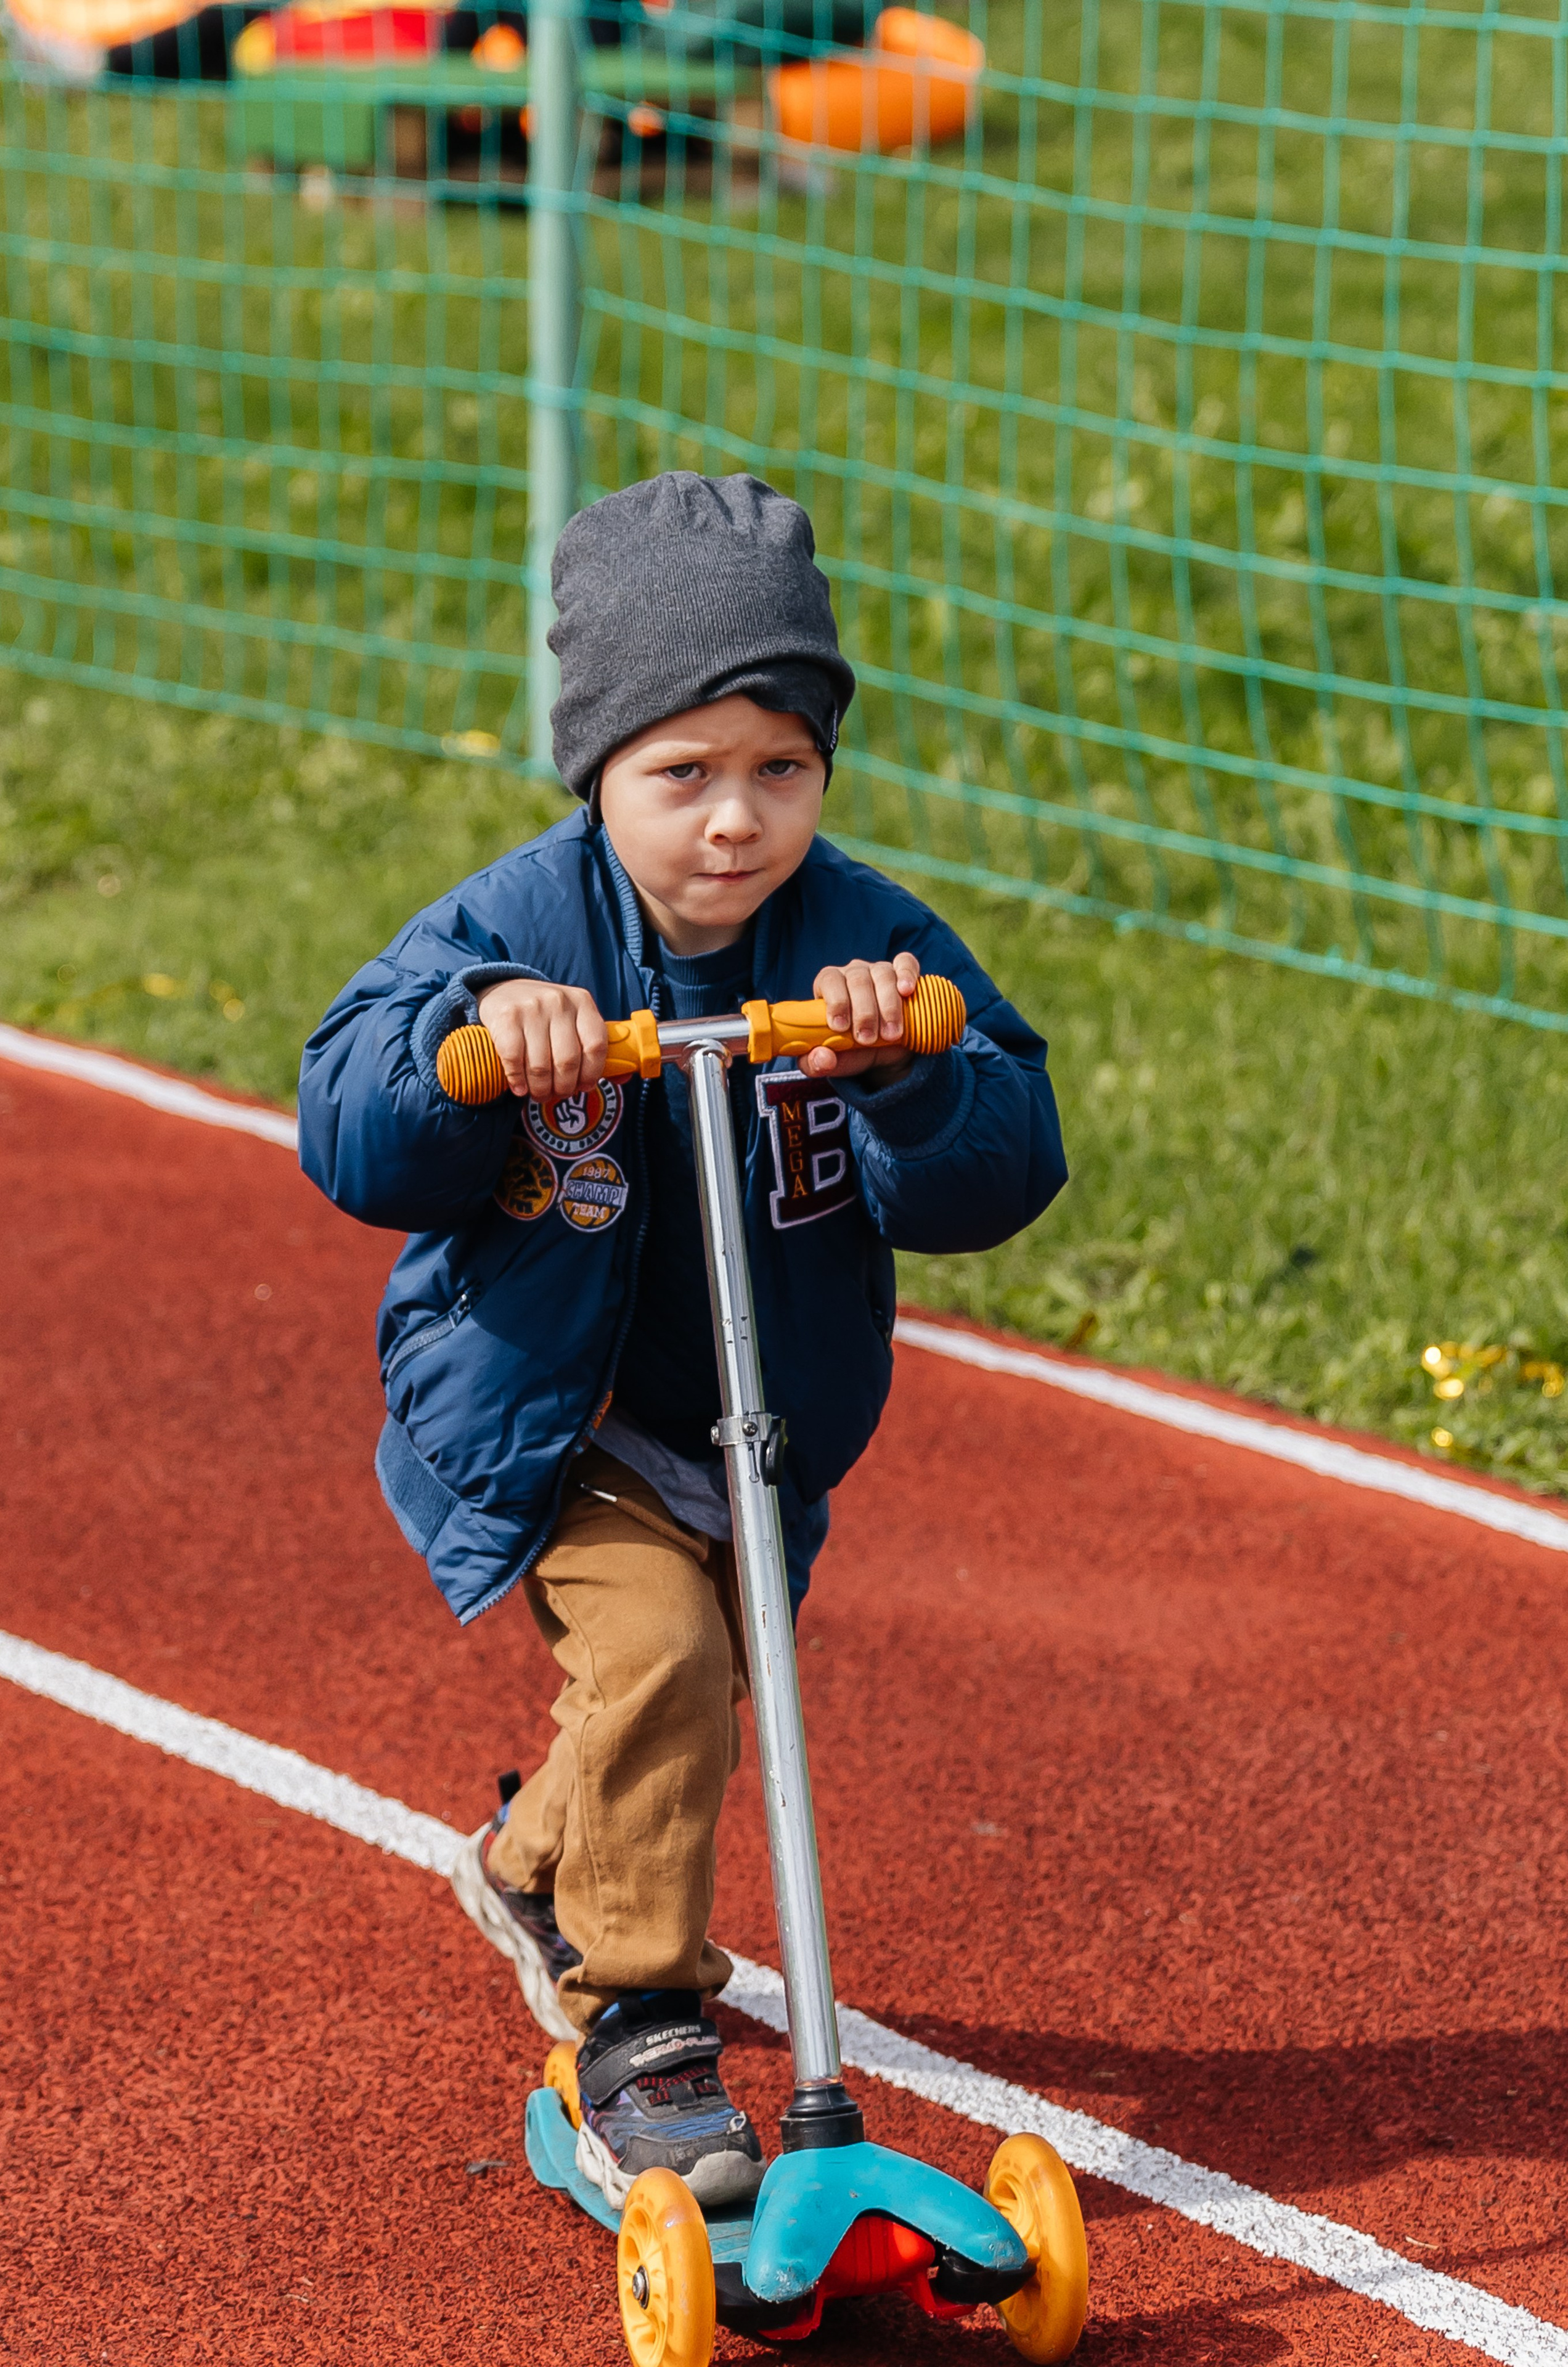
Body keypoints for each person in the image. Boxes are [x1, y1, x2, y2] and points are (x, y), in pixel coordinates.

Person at [297, 471, 1067, 2210]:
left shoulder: (864, 938)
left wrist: (913, 1074)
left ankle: (529, 1865)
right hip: (555, 1404)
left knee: (704, 1695)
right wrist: (475, 1037)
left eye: (781, 769)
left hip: (761, 1416)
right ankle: (640, 2028)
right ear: (598, 771)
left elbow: (1008, 1158)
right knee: (656, 1658)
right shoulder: (518, 927)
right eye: (684, 774)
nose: (735, 821)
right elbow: (349, 1119)